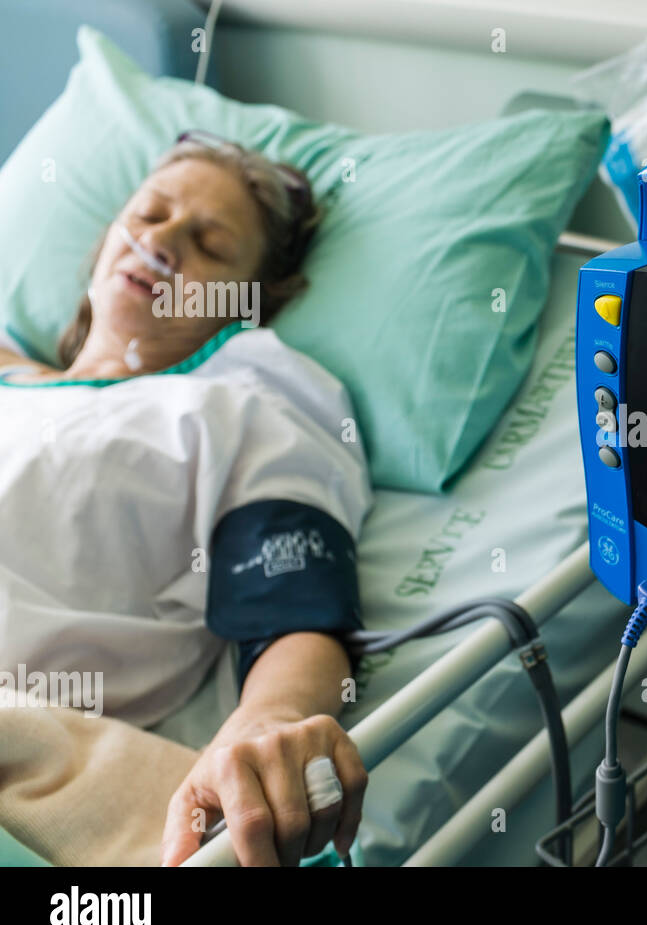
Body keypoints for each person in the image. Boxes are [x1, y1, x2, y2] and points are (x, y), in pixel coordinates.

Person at [0, 133, 370, 866]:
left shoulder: (234, 410)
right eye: (149, 214)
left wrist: (269, 721)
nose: (161, 242)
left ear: (245, 304)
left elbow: (294, 612)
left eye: (209, 245)